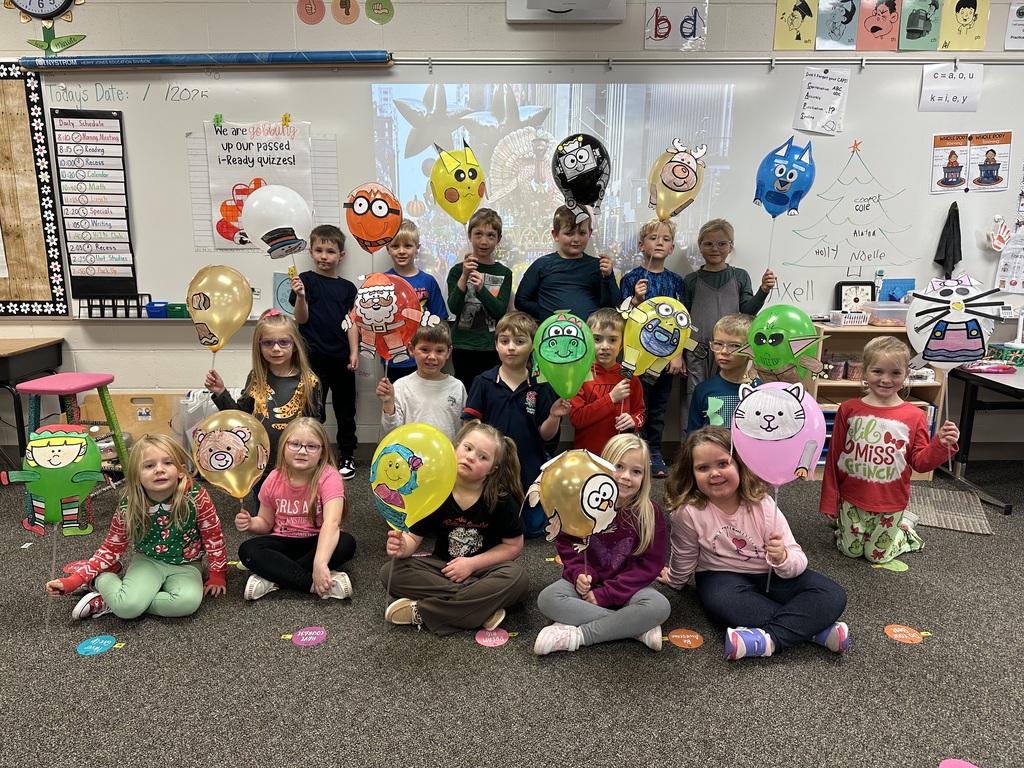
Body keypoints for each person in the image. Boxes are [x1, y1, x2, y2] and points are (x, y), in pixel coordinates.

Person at [659, 426, 849, 660]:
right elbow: (684, 555)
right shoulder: (687, 512)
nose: (714, 474)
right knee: (724, 604)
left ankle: (769, 641)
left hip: (772, 574)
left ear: (740, 464)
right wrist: (675, 580)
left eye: (723, 463)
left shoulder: (763, 503)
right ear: (691, 474)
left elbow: (799, 559)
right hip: (720, 576)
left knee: (832, 594)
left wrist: (783, 558)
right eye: (702, 468)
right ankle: (818, 630)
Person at [45, 435, 227, 620]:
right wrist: (75, 580)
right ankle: (99, 581)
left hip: (187, 565)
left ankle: (114, 599)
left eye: (168, 463)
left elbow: (213, 536)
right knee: (127, 609)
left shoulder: (197, 497)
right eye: (149, 466)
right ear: (135, 475)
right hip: (148, 561)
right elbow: (112, 546)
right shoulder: (129, 503)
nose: (159, 470)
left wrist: (217, 574)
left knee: (186, 604)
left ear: (181, 470)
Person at [381, 420, 530, 635]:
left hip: (484, 571)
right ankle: (481, 607)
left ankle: (426, 611)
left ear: (492, 469)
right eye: (468, 448)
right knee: (390, 572)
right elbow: (413, 539)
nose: (471, 457)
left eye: (483, 457)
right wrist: (402, 546)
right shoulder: (436, 492)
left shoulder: (501, 499)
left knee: (518, 577)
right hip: (442, 569)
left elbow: (513, 547)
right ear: (455, 448)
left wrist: (471, 564)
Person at [819, 336, 959, 564]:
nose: (885, 379)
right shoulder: (848, 409)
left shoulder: (915, 416)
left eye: (895, 373)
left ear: (906, 375)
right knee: (850, 551)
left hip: (890, 501)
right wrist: (829, 500)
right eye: (877, 371)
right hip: (852, 497)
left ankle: (904, 528)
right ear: (864, 372)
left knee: (877, 557)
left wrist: (941, 445)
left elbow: (921, 462)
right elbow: (835, 457)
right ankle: (851, 528)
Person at [534, 434, 670, 655]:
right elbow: (568, 543)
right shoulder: (582, 503)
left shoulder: (649, 512)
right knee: (548, 599)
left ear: (645, 477)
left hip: (627, 590)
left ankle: (581, 635)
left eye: (636, 471)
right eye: (619, 466)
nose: (626, 477)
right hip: (584, 587)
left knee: (659, 606)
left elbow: (650, 564)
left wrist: (608, 594)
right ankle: (634, 628)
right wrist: (580, 572)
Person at [463, 310, 570, 538]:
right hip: (492, 468)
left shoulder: (541, 385)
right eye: (505, 341)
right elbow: (470, 425)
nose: (511, 347)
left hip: (530, 465)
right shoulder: (483, 381)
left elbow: (546, 436)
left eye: (519, 341)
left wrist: (554, 416)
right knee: (489, 526)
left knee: (532, 530)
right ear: (496, 345)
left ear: (532, 347)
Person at [205, 309, 322, 501]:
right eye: (268, 343)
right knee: (264, 513)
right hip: (261, 463)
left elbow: (316, 424)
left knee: (294, 513)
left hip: (296, 464)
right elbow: (239, 418)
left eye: (283, 342)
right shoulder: (256, 378)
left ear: (295, 346)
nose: (276, 348)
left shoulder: (309, 381)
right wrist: (220, 392)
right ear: (259, 346)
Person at [235, 417, 356, 601]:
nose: (302, 451)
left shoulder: (330, 477)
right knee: (247, 550)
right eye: (295, 444)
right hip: (284, 541)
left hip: (319, 541)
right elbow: (266, 523)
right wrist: (251, 523)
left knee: (346, 543)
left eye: (311, 446)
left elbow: (332, 523)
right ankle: (313, 584)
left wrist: (320, 562)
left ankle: (275, 579)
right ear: (284, 447)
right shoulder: (274, 478)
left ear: (322, 452)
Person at [682, 219, 776, 423]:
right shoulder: (690, 280)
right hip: (696, 350)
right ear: (700, 246)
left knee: (729, 395)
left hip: (732, 350)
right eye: (708, 243)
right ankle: (692, 447)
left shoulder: (740, 276)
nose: (715, 248)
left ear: (730, 246)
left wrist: (764, 290)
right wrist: (678, 354)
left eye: (721, 243)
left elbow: (747, 311)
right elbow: (683, 320)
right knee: (694, 397)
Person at [289, 224, 360, 480]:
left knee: (345, 410)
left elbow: (352, 322)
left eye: (330, 251)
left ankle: (348, 455)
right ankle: (312, 455)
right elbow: (301, 319)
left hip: (342, 359)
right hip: (312, 359)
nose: (324, 256)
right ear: (310, 251)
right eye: (319, 250)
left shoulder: (348, 288)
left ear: (341, 255)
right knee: (313, 411)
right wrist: (300, 296)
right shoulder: (305, 281)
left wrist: (354, 352)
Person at [620, 217, 687, 476]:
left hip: (665, 358)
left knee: (658, 406)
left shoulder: (676, 281)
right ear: (641, 244)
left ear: (672, 248)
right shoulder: (631, 278)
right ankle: (637, 452)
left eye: (666, 239)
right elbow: (622, 319)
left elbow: (682, 322)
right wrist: (635, 300)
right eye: (653, 237)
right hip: (637, 358)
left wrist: (678, 354)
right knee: (638, 404)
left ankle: (655, 452)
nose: (659, 242)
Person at [447, 207, 513, 394]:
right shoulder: (457, 271)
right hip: (463, 347)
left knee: (490, 398)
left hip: (491, 348)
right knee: (467, 400)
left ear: (498, 239)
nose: (484, 241)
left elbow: (500, 311)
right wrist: (464, 277)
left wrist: (481, 289)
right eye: (478, 234)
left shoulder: (504, 273)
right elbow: (454, 308)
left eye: (491, 235)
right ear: (469, 236)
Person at [514, 205, 619, 323]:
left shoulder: (598, 266)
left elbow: (612, 306)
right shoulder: (542, 265)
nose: (576, 239)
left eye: (582, 233)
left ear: (589, 233)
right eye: (569, 233)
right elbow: (521, 301)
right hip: (553, 335)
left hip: (589, 335)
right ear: (555, 235)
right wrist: (547, 313)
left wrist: (608, 276)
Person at [569, 307, 645, 455]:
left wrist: (633, 421)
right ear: (588, 341)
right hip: (586, 456)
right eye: (597, 339)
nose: (605, 346)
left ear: (622, 343)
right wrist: (611, 399)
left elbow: (640, 413)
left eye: (612, 340)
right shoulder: (579, 375)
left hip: (620, 457)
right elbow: (576, 419)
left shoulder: (630, 378)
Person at [376, 322, 467, 442]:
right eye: (425, 349)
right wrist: (388, 403)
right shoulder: (401, 386)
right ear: (411, 349)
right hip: (411, 457)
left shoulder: (457, 387)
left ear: (448, 352)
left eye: (439, 351)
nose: (432, 357)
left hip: (446, 457)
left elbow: (463, 430)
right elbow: (392, 430)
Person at [384, 219, 450, 383]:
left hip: (425, 358)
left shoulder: (428, 281)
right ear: (387, 248)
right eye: (395, 246)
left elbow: (440, 320)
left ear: (417, 248)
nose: (401, 251)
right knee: (397, 403)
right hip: (394, 358)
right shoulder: (381, 282)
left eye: (407, 246)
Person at [687, 313, 756, 432]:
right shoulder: (703, 390)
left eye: (734, 345)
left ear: (750, 350)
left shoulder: (761, 390)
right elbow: (693, 438)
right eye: (718, 344)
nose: (723, 351)